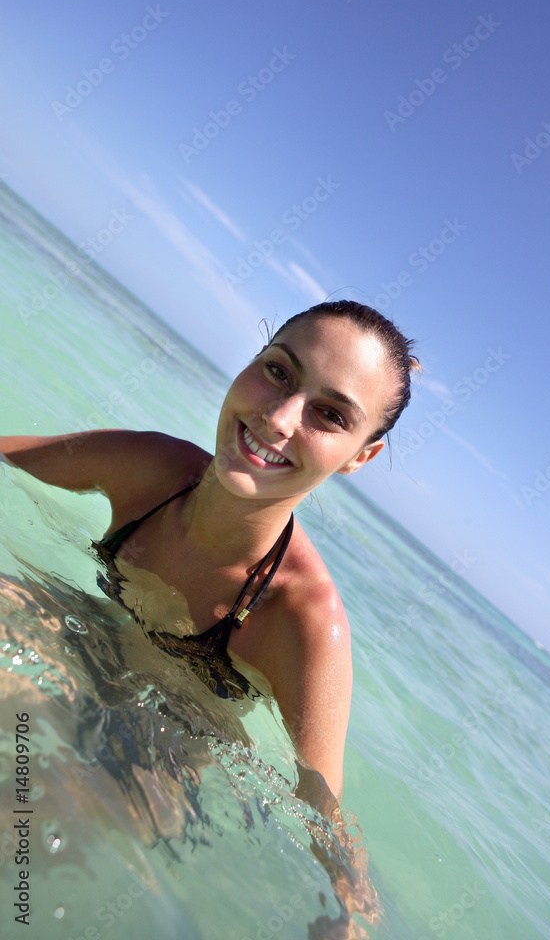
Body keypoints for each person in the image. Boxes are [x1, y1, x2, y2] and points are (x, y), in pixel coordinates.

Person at [0, 299, 419, 806]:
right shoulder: (151, 469)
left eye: (330, 415)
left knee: (32, 815)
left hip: (153, 754)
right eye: (279, 372)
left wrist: (351, 886)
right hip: (76, 645)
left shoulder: (304, 620)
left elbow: (324, 814)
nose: (280, 418)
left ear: (361, 456)